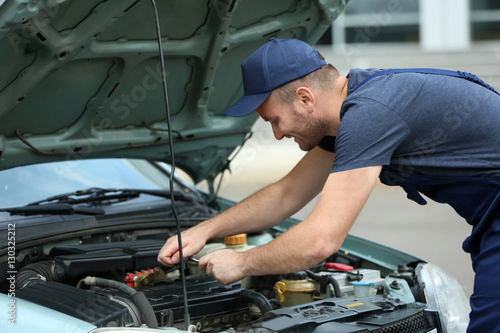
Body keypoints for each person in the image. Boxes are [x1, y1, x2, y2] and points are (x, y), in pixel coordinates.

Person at [158, 38, 500, 332]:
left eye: (274, 120)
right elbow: (286, 193)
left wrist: (242, 264)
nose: (277, 134)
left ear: (305, 99)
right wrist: (205, 231)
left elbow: (320, 242)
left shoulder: (370, 114)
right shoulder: (351, 110)